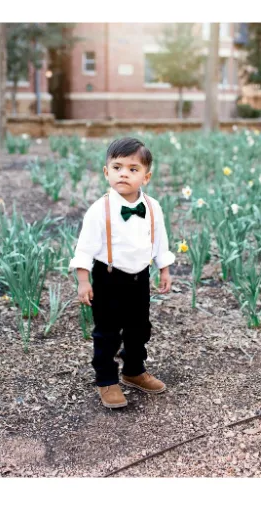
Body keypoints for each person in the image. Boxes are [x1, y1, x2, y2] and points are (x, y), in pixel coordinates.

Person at [69, 137, 175, 409]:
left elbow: (159, 240)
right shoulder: (99, 210)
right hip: (108, 278)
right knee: (107, 332)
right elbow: (84, 248)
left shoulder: (152, 207)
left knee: (139, 328)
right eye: (117, 167)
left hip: (140, 278)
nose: (124, 173)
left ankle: (134, 370)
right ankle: (106, 379)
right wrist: (83, 280)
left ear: (146, 177)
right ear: (107, 172)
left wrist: (164, 268)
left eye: (132, 168)